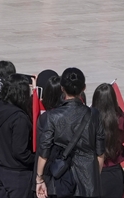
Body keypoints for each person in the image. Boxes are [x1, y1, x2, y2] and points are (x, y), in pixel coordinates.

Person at [34, 68, 103, 198]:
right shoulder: (94, 115)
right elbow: (100, 153)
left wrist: (39, 179)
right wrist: (95, 178)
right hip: (88, 180)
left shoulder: (51, 117)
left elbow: (44, 152)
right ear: (84, 88)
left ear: (62, 88)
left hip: (61, 180)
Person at [91, 83, 124, 198]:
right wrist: (117, 109)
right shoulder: (119, 121)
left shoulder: (90, 119)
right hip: (114, 171)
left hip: (94, 170)